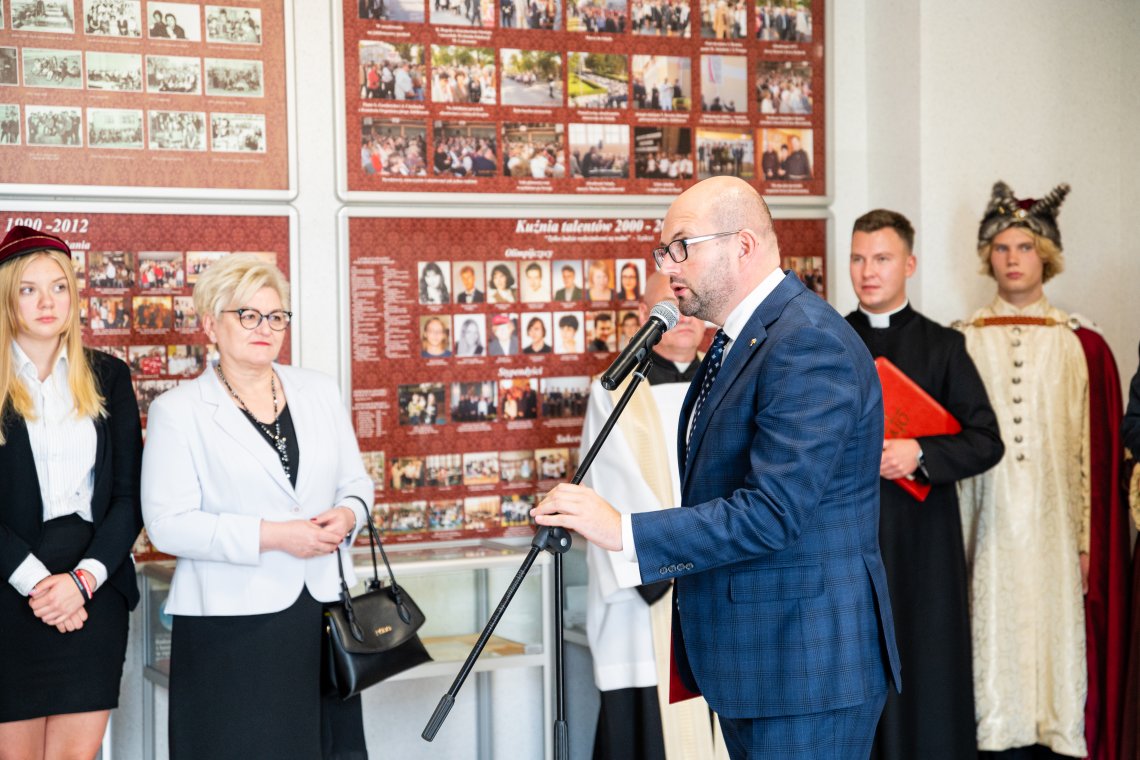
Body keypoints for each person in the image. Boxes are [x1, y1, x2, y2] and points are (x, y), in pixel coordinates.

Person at [532, 176, 900, 759]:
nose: (668, 266)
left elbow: (773, 513)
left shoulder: (807, 342)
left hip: (805, 667)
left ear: (743, 245)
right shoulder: (742, 340)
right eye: (663, 251)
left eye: (682, 246)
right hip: (759, 665)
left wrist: (624, 530)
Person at [140, 254, 373, 760]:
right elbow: (167, 525)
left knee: (329, 748)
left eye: (276, 316)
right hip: (232, 623)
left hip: (323, 613)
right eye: (247, 315)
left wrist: (349, 514)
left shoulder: (319, 391)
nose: (264, 328)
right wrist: (275, 535)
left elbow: (356, 483)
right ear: (210, 325)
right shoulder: (178, 411)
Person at [955, 181, 1130, 760]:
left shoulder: (1081, 345)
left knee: (1056, 634)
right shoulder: (961, 342)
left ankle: (1057, 728)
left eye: (1025, 248)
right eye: (1002, 248)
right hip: (986, 522)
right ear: (988, 258)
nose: (1013, 259)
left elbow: (1090, 455)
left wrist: (1087, 543)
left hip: (1056, 528)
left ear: (1045, 256)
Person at [845, 210, 1004, 760]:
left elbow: (987, 441)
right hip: (851, 539)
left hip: (924, 541)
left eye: (882, 258)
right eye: (858, 258)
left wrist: (920, 453)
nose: (868, 271)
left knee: (927, 668)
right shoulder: (826, 342)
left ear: (909, 264)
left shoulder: (944, 347)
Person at [0, 227, 143, 760]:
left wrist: (82, 582)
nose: (47, 302)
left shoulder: (108, 376)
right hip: (9, 585)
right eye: (29, 289)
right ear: (7, 297)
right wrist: (41, 585)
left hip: (94, 586)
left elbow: (129, 497)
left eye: (59, 287)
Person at [584, 272, 722, 760]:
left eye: (691, 304)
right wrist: (678, 558)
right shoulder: (613, 389)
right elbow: (611, 486)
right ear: (646, 316)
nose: (683, 317)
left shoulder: (729, 381)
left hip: (718, 588)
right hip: (647, 599)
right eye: (669, 306)